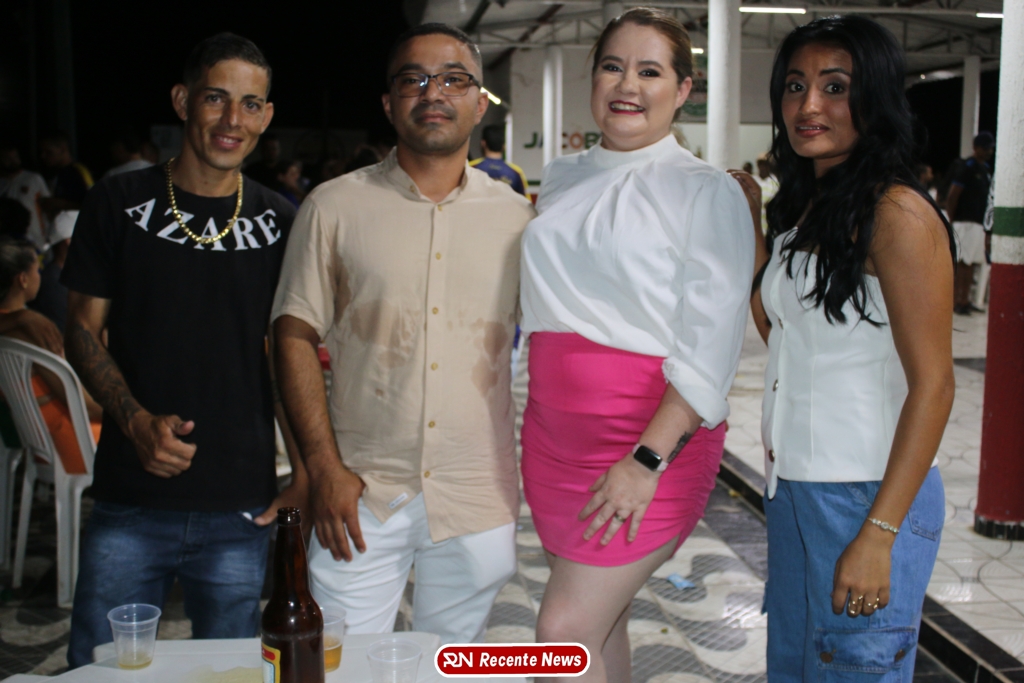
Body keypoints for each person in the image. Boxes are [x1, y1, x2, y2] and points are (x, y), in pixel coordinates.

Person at [273, 23, 535, 643]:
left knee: (454, 665)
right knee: (337, 663)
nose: (432, 92)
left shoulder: (518, 220)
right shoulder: (334, 207)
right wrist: (322, 468)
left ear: (479, 103)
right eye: (413, 79)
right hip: (360, 492)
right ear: (389, 103)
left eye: (453, 79)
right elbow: (292, 334)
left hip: (476, 493)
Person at [518, 9, 753, 681]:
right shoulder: (561, 176)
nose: (627, 85)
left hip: (649, 443)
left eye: (650, 71)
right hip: (552, 440)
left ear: (683, 90)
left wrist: (646, 460)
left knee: (561, 634)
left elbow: (711, 348)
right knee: (601, 623)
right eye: (613, 66)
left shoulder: (707, 191)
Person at [61, 33, 306, 668]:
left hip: (242, 504)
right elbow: (81, 329)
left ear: (267, 117)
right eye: (216, 98)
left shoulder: (281, 221)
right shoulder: (118, 201)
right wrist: (136, 421)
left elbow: (286, 355)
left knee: (229, 672)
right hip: (131, 496)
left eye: (250, 104)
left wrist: (305, 472)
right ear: (182, 101)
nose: (232, 120)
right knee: (100, 669)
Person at [744, 16, 953, 680]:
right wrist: (753, 228)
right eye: (795, 86)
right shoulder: (811, 206)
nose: (809, 105)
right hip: (794, 490)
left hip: (867, 493)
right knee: (798, 665)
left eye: (835, 87)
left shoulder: (899, 213)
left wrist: (879, 533)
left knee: (854, 666)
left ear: (876, 97)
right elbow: (787, 337)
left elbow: (934, 385)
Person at [0, 238, 102, 472]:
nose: (41, 275)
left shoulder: (9, 329)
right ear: (23, 279)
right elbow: (85, 405)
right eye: (37, 269)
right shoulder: (31, 334)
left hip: (38, 445)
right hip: (74, 443)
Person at [946, 131, 993, 315]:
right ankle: (956, 301)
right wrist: (952, 221)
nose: (989, 151)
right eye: (985, 148)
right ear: (976, 148)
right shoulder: (967, 167)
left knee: (971, 262)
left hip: (978, 224)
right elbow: (953, 196)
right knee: (962, 263)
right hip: (963, 222)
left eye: (990, 148)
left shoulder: (985, 169)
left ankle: (965, 300)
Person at [0, 142, 51, 249]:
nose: (13, 161)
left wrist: (49, 233)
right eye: (7, 158)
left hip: (34, 237)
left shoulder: (33, 178)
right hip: (7, 240)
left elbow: (48, 205)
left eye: (15, 157)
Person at [38, 131, 93, 220]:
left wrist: (62, 204)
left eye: (48, 152)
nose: (43, 156)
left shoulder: (79, 172)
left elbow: (92, 204)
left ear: (63, 149)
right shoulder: (51, 173)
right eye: (42, 152)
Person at [470, 124, 528, 196]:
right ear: (504, 146)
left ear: (483, 143)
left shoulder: (470, 168)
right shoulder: (516, 172)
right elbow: (524, 201)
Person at [755, 152, 779, 233]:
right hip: (753, 229)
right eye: (760, 163)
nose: (763, 166)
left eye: (765, 164)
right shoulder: (752, 181)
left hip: (769, 230)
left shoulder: (776, 183)